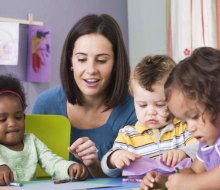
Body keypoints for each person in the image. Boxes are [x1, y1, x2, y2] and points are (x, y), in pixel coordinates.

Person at [32, 14, 137, 177]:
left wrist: (94, 164)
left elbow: (132, 181)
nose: (91, 70)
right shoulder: (45, 105)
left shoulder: (135, 110)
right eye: (82, 59)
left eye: (101, 60)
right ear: (70, 61)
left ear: (116, 63)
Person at [101, 55, 198, 179]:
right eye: (142, 105)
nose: (150, 112)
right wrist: (115, 158)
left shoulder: (183, 127)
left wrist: (183, 152)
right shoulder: (128, 135)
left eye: (160, 104)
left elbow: (201, 150)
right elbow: (106, 167)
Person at [140, 47, 220, 190]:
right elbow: (194, 172)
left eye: (194, 116)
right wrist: (167, 181)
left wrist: (192, 184)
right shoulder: (208, 143)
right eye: (185, 121)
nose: (190, 128)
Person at [0, 74, 88, 186]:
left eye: (18, 117)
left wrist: (69, 168)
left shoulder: (32, 141)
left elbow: (52, 162)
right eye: (2, 119)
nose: (12, 124)